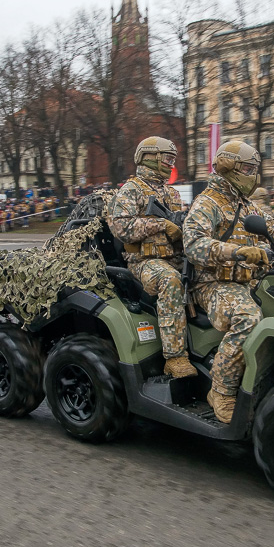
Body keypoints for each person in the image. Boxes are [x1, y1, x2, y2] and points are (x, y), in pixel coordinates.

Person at [183, 141, 274, 423]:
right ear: (227, 167)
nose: (253, 174)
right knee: (248, 317)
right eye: (248, 168)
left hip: (249, 282)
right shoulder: (207, 203)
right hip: (213, 285)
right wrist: (236, 252)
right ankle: (221, 390)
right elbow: (193, 244)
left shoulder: (249, 207)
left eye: (254, 169)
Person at [108, 136, 196, 379]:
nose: (170, 163)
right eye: (167, 158)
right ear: (150, 157)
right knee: (171, 281)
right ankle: (175, 357)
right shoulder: (130, 190)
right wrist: (159, 225)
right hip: (144, 262)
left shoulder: (172, 193)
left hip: (175, 256)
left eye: (172, 159)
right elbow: (121, 228)